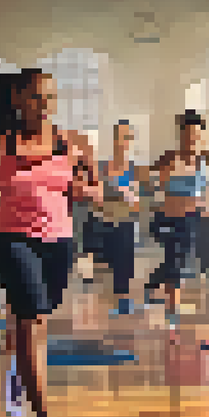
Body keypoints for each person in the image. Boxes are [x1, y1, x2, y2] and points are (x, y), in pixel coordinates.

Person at [0, 68, 100, 417]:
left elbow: (92, 185)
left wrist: (90, 191)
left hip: (60, 241)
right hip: (11, 239)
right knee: (31, 317)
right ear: (19, 101)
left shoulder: (72, 143)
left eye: (50, 97)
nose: (45, 105)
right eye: (36, 97)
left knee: (39, 319)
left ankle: (19, 372)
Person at [150, 111, 209, 331]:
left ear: (202, 137)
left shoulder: (208, 162)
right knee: (176, 259)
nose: (192, 141)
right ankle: (171, 310)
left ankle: (161, 291)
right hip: (165, 218)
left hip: (191, 219)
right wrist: (156, 190)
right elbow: (150, 181)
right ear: (181, 136)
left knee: (178, 259)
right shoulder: (169, 159)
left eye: (196, 137)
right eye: (188, 136)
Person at [88, 121, 141, 316]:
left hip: (125, 223)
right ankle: (103, 311)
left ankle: (121, 305)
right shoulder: (103, 167)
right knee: (105, 271)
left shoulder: (134, 169)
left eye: (128, 138)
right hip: (104, 223)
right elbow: (96, 199)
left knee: (124, 268)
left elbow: (136, 202)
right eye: (121, 137)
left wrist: (128, 198)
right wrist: (116, 196)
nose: (124, 142)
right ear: (114, 139)